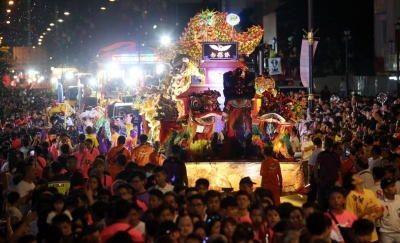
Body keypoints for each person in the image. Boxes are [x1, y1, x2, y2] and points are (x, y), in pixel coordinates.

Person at [342, 172, 383, 242]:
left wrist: (374, 217)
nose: (358, 175)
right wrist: (365, 212)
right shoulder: (350, 197)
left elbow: (380, 209)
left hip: (373, 235)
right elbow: (349, 219)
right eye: (355, 176)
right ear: (353, 182)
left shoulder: (369, 192)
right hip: (360, 236)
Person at [314, 137, 341, 210]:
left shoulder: (321, 155)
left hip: (323, 180)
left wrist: (316, 177)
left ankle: (322, 215)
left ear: (325, 145)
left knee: (321, 201)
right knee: (332, 201)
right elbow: (339, 168)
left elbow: (316, 166)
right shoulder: (336, 156)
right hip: (333, 181)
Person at [378, 177, 400, 242]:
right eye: (392, 186)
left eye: (394, 186)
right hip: (386, 233)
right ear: (386, 190)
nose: (395, 188)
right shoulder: (379, 201)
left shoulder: (399, 198)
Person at [307, 137, 323, 202]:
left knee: (313, 189)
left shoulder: (314, 152)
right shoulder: (324, 151)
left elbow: (310, 165)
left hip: (315, 172)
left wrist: (310, 175)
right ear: (321, 143)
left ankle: (310, 203)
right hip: (323, 172)